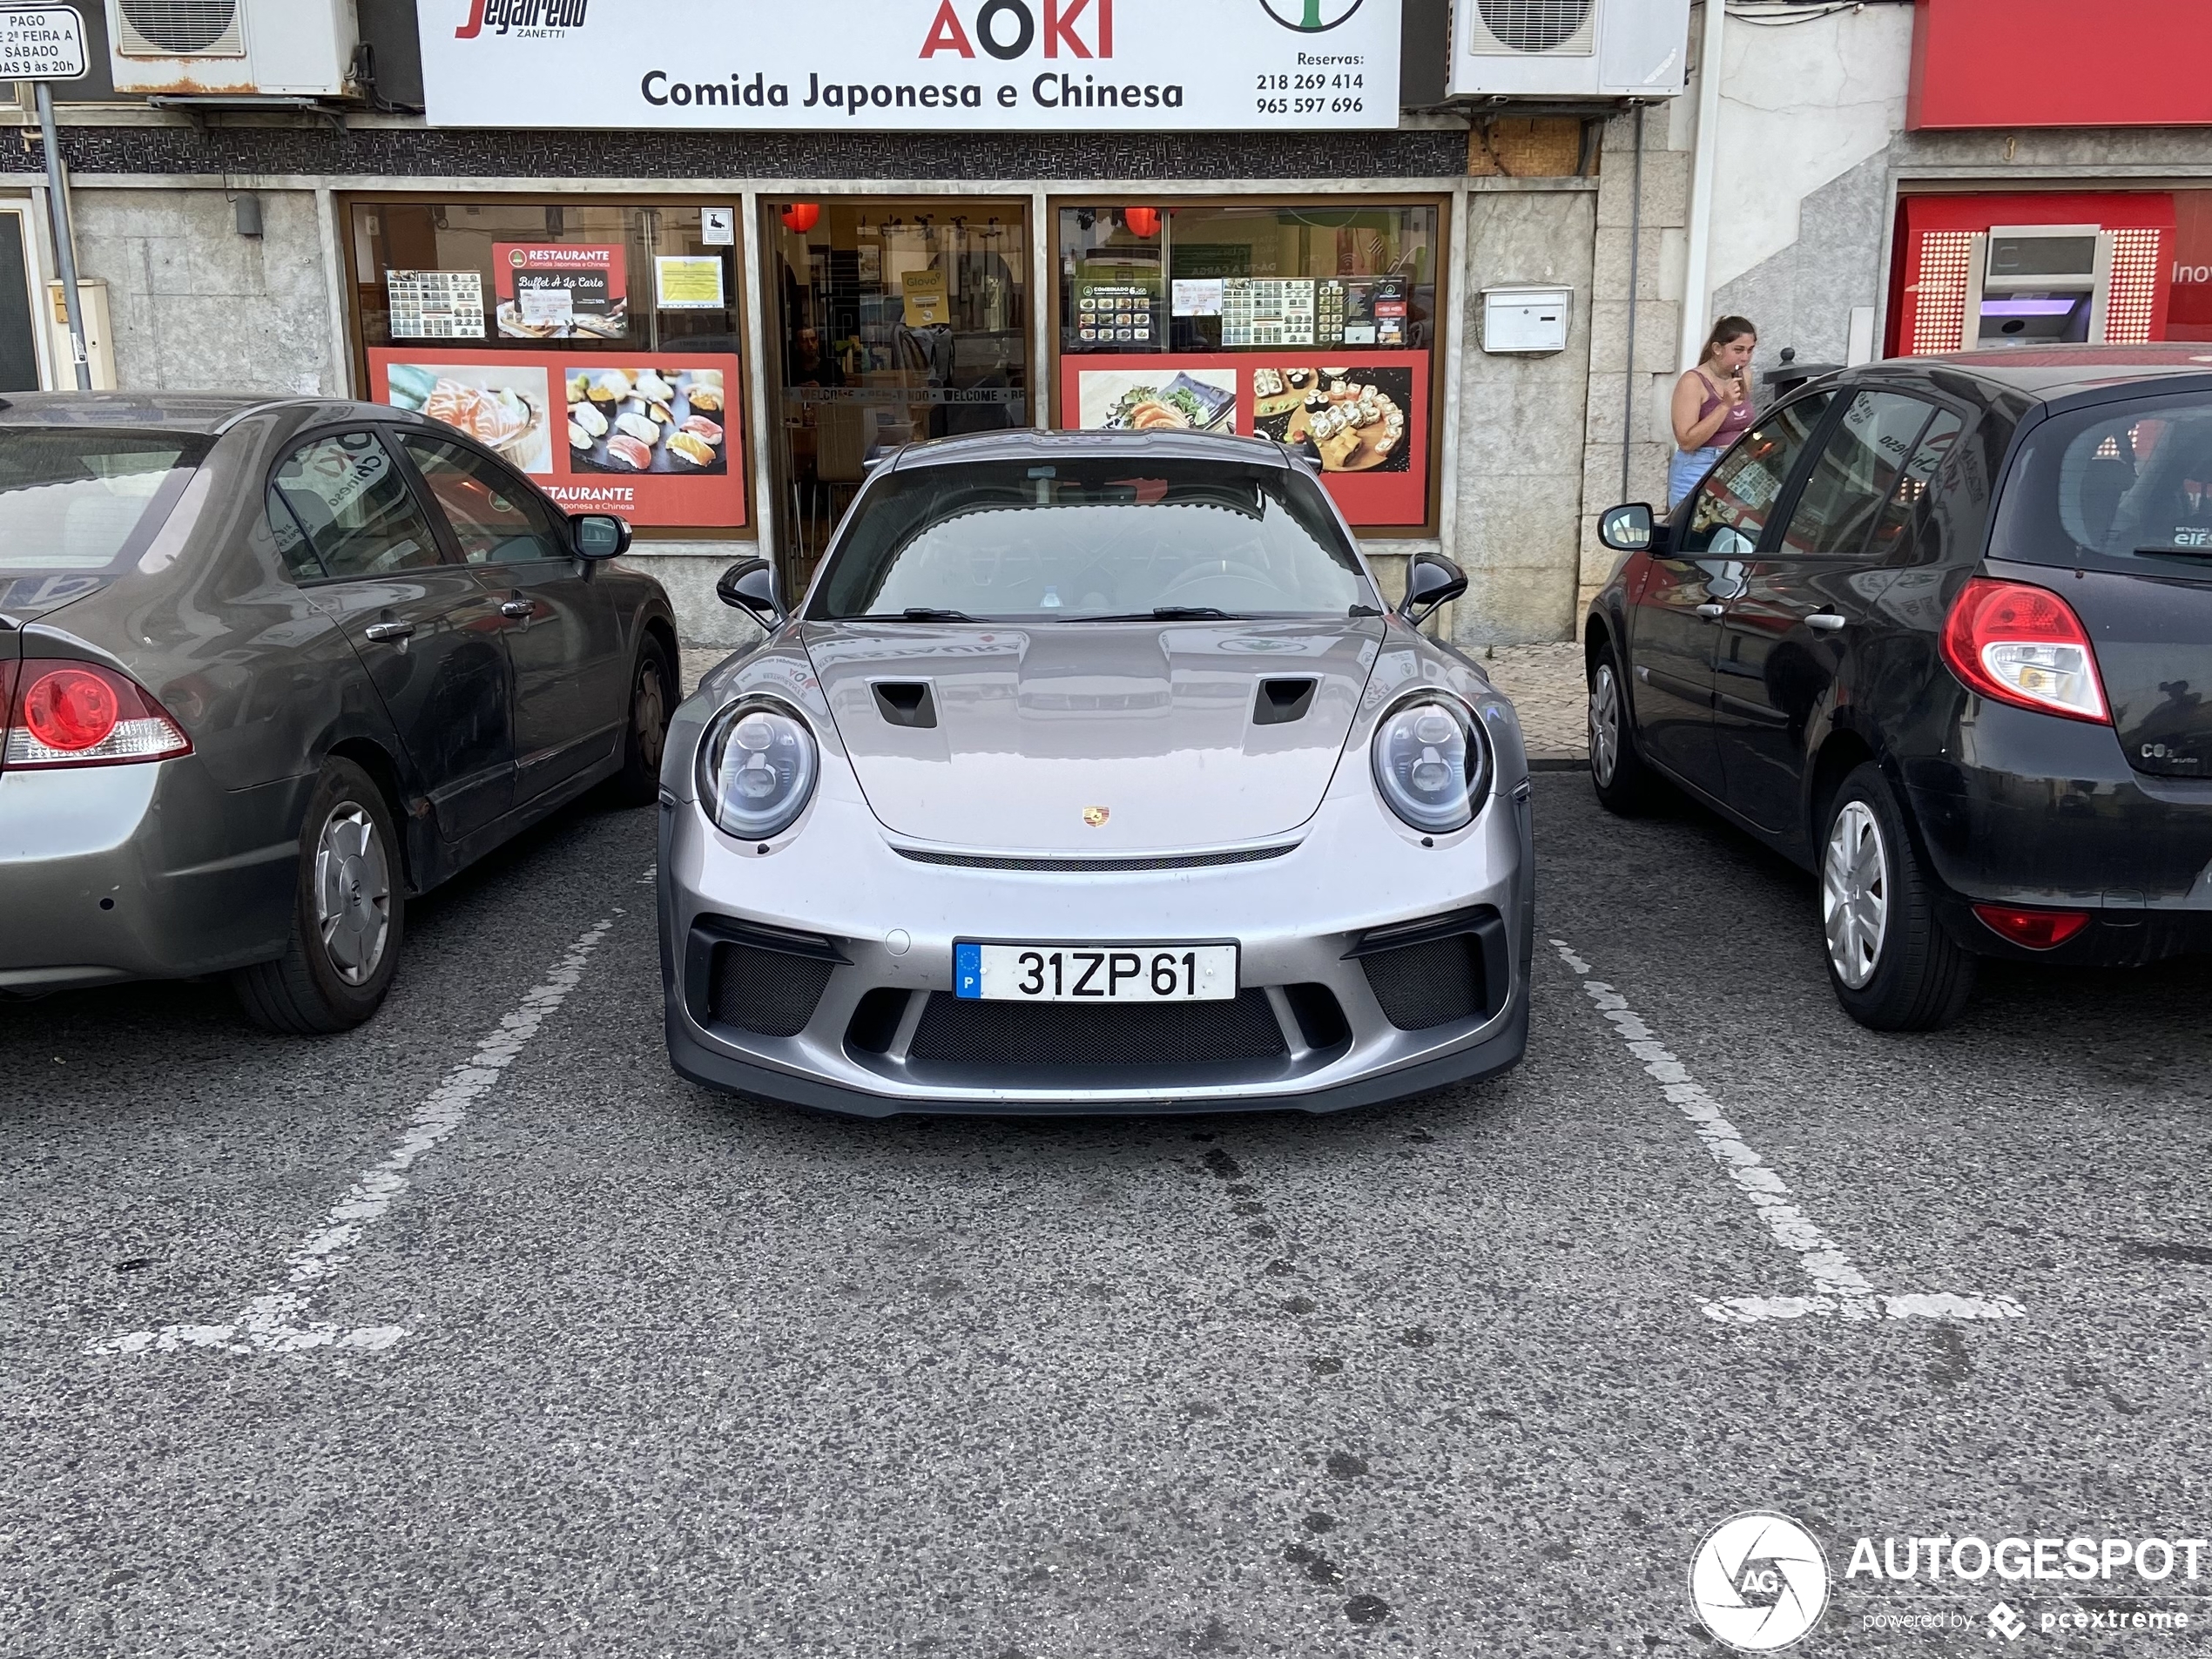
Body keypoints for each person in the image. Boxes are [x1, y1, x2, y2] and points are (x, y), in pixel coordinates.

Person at [1669, 317, 1757, 509]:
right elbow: (1686, 442)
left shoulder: (1745, 376)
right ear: (1717, 349)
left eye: (1750, 350)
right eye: (1738, 350)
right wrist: (1724, 406)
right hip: (1699, 466)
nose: (1745, 358)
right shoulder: (1692, 382)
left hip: (1735, 467)